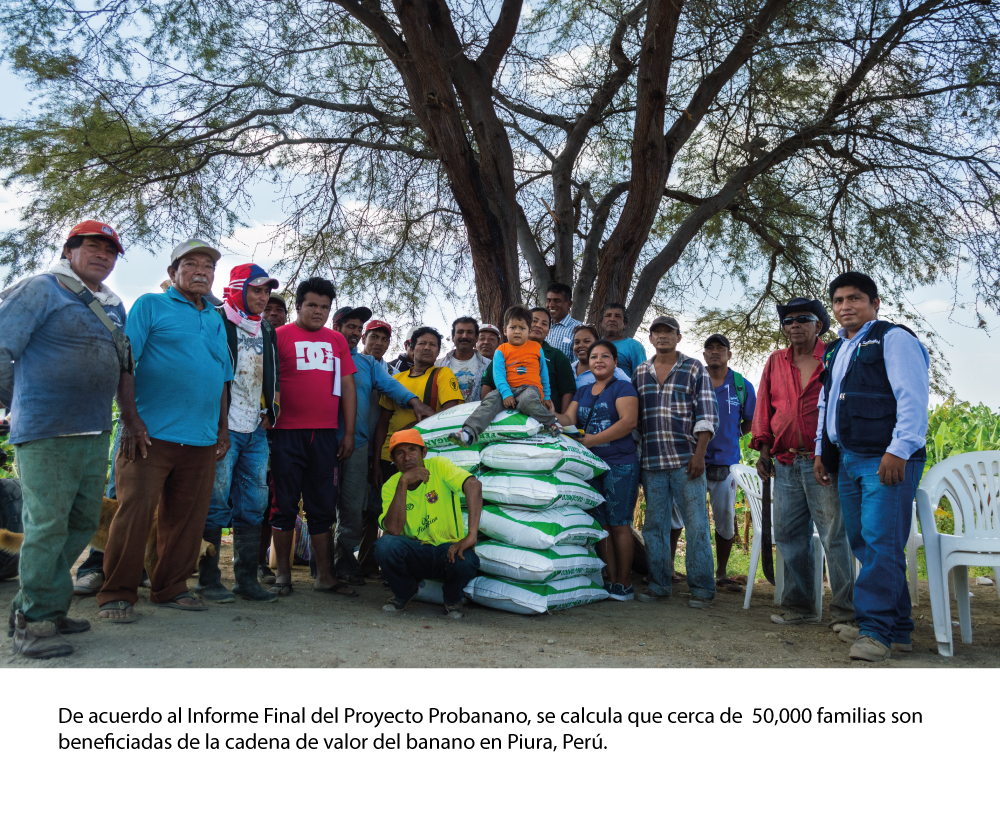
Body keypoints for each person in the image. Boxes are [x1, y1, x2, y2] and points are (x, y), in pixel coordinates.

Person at [0, 221, 129, 657]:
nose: (102, 255)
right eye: (92, 246)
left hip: (95, 430)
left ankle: (45, 608)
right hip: (46, 430)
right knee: (48, 525)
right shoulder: (41, 288)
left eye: (110, 251)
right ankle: (34, 625)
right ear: (68, 250)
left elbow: (121, 363)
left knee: (81, 524)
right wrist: (14, 400)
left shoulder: (112, 305)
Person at [97, 238, 234, 621]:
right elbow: (126, 361)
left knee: (187, 520)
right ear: (172, 272)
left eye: (208, 266)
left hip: (202, 438)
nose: (201, 271)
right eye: (191, 264)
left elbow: (222, 378)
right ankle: (117, 593)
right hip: (149, 435)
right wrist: (129, 420)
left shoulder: (215, 318)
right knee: (134, 513)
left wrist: (222, 429)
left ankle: (171, 587)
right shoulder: (150, 305)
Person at [814, 272, 929, 662]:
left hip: (886, 459)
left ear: (874, 303)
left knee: (882, 544)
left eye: (855, 298)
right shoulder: (836, 350)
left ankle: (876, 633)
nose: (845, 306)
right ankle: (897, 630)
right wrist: (821, 451)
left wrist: (899, 450)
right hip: (848, 457)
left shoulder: (894, 339)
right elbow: (826, 404)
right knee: (865, 543)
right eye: (838, 300)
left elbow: (912, 397)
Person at [750, 297, 855, 629]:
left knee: (833, 535)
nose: (794, 325)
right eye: (788, 321)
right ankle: (800, 606)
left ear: (818, 325)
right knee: (789, 534)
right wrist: (763, 451)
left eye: (802, 319)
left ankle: (846, 611)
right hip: (785, 461)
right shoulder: (775, 361)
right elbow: (764, 407)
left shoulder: (834, 357)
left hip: (822, 463)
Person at [327, 306, 434, 585]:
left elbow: (390, 385)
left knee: (352, 509)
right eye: (350, 326)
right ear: (336, 327)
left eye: (357, 327)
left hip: (357, 444)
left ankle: (345, 565)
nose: (354, 332)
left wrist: (415, 403)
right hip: (323, 441)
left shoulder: (369, 364)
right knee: (322, 507)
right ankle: (322, 568)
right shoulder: (324, 355)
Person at [268, 277, 358, 598]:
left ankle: (325, 576)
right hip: (284, 434)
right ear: (298, 306)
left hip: (324, 436)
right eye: (312, 305)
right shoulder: (278, 336)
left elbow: (347, 386)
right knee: (283, 505)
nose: (318, 311)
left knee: (322, 507)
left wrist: (348, 432)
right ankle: (282, 575)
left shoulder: (336, 340)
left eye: (324, 307)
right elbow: (267, 383)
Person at [201, 263, 282, 604]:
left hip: (254, 430)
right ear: (237, 289)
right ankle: (207, 581)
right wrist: (218, 425)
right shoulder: (216, 320)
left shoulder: (266, 328)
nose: (263, 297)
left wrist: (270, 412)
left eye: (266, 291)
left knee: (253, 505)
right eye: (256, 290)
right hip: (223, 429)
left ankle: (246, 581)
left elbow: (271, 373)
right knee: (215, 503)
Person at [633, 316, 718, 608]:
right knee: (654, 526)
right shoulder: (640, 372)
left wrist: (699, 455)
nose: (662, 336)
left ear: (678, 337)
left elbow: (707, 414)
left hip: (686, 461)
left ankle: (702, 588)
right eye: (657, 332)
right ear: (650, 338)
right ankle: (659, 585)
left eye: (668, 332)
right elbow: (636, 420)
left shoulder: (693, 368)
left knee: (696, 525)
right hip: (651, 462)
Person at [669, 334, 756, 592]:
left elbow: (749, 420)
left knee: (725, 518)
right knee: (677, 515)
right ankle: (670, 568)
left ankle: (721, 572)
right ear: (704, 354)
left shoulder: (741, 385)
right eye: (710, 348)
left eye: (721, 348)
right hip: (689, 460)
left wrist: (730, 436)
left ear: (729, 353)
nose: (715, 352)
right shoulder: (692, 380)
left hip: (725, 463)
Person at [556, 340, 639, 600]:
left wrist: (592, 440)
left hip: (620, 463)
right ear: (588, 363)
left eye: (605, 356)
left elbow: (629, 422)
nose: (599, 361)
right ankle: (610, 580)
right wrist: (547, 412)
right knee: (601, 524)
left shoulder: (623, 387)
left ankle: (624, 583)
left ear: (615, 362)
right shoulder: (582, 391)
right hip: (591, 467)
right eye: (594, 357)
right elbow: (568, 419)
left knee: (619, 523)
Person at [375, 430, 483, 618]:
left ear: (424, 452)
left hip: (447, 551)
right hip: (415, 552)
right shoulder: (391, 485)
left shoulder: (439, 466)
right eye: (400, 453)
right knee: (384, 545)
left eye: (412, 450)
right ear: (392, 459)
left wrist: (472, 535)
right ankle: (405, 591)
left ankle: (452, 599)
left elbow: (474, 485)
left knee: (467, 560)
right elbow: (393, 529)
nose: (407, 457)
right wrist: (403, 482)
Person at [451, 306, 560, 446]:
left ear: (529, 331)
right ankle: (468, 433)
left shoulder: (536, 348)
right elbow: (499, 375)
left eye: (522, 328)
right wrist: (506, 394)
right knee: (489, 402)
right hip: (506, 389)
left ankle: (551, 422)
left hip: (530, 389)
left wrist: (546, 396)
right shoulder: (501, 350)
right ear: (504, 330)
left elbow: (543, 374)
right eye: (513, 327)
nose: (517, 331)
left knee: (527, 401)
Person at [373, 327, 464, 488]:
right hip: (389, 455)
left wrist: (409, 431)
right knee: (388, 501)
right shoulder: (396, 379)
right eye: (422, 343)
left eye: (433, 344)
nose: (427, 347)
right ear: (411, 348)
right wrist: (376, 463)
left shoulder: (443, 374)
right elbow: (382, 422)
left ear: (438, 352)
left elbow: (451, 411)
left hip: (420, 456)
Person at [478, 307, 576, 412]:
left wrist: (561, 417)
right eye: (534, 321)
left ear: (548, 331)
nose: (538, 325)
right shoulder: (503, 351)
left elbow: (568, 390)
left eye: (544, 324)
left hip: (541, 412)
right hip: (507, 412)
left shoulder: (558, 356)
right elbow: (488, 383)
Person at [357, 318, 396, 578]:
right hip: (353, 444)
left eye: (384, 339)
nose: (378, 343)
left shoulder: (391, 372)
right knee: (351, 507)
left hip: (379, 449)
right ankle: (339, 562)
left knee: (373, 509)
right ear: (364, 339)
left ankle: (367, 564)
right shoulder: (353, 364)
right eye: (374, 337)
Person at [437, 316, 491, 402]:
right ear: (453, 337)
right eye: (460, 332)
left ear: (476, 337)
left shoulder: (489, 365)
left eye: (470, 332)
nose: (465, 336)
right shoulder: (438, 365)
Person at [599, 302, 648, 378]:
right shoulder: (594, 344)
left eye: (617, 316)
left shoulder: (634, 346)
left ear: (624, 324)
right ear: (601, 323)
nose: (612, 319)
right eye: (608, 315)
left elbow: (642, 378)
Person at [544, 282, 582, 360]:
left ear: (569, 304)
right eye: (548, 300)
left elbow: (579, 363)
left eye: (557, 300)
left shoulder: (578, 329)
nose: (551, 305)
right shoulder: (541, 326)